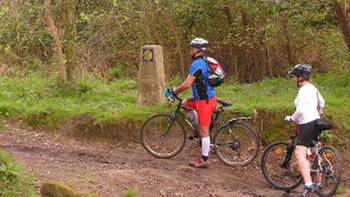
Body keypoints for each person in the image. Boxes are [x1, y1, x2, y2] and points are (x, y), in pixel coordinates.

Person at [165, 37, 217, 168]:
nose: (190, 50)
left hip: (205, 102)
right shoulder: (201, 61)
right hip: (201, 100)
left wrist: (174, 91)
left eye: (192, 48)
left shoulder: (197, 64)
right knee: (183, 104)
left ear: (196, 49)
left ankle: (204, 160)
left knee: (204, 131)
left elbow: (188, 84)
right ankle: (196, 128)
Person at [285, 64, 325, 197]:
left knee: (299, 152)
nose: (294, 79)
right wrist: (319, 111)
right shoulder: (313, 88)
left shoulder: (303, 90)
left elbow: (300, 110)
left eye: (295, 76)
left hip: (307, 123)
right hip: (317, 121)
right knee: (315, 152)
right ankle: (319, 183)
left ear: (300, 77)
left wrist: (292, 117)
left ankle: (308, 184)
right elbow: (322, 102)